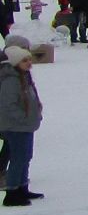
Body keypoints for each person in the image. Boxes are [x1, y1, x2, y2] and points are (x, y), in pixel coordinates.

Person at [0, 40, 48, 205]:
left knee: (25, 157)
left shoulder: (23, 77)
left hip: (26, 125)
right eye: (24, 60)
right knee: (18, 158)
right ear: (15, 63)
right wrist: (24, 118)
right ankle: (12, 193)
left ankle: (22, 187)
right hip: (16, 127)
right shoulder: (10, 80)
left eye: (29, 59)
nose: (29, 63)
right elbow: (8, 105)